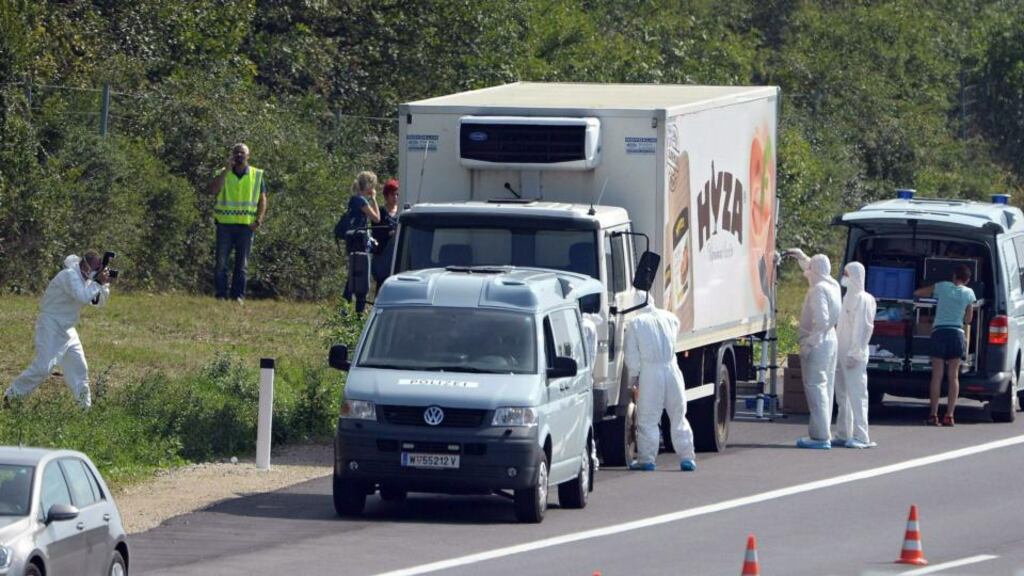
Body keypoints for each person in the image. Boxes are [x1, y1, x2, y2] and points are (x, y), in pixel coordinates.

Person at [4, 252, 112, 408]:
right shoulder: (69, 275)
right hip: (51, 324)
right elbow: (82, 296)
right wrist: (97, 282)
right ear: (85, 265)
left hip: (68, 329)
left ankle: (85, 409)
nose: (97, 271)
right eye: (96, 267)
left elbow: (98, 303)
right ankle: (11, 397)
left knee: (79, 369)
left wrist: (104, 284)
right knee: (43, 367)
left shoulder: (88, 280)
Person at [623, 302, 696, 472]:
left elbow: (631, 355)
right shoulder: (670, 318)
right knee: (678, 415)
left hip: (651, 372)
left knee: (648, 418)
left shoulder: (636, 323)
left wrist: (633, 379)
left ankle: (647, 460)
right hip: (672, 369)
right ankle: (687, 458)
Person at [788, 248, 842, 449]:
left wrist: (809, 344)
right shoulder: (832, 284)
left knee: (815, 387)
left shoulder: (818, 289)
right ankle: (823, 431)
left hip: (818, 342)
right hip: (830, 340)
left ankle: (820, 436)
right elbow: (816, 268)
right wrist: (802, 258)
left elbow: (822, 320)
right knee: (825, 386)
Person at [913, 264, 977, 426]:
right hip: (957, 334)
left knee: (937, 376)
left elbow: (918, 293)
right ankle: (949, 415)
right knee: (953, 376)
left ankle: (933, 415)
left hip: (939, 333)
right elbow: (968, 320)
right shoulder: (969, 293)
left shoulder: (942, 286)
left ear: (954, 276)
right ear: (967, 280)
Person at [207, 143, 268, 303]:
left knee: (242, 265)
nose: (239, 156)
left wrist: (259, 220)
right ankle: (221, 295)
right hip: (225, 225)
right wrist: (226, 170)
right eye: (236, 153)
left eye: (242, 153)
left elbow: (262, 200)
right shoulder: (223, 173)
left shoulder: (257, 175)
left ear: (248, 156)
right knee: (221, 263)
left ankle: (238, 296)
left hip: (246, 227)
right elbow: (212, 190)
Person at [834, 261, 877, 448]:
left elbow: (864, 328)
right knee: (842, 396)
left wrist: (855, 352)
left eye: (847, 274)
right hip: (841, 352)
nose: (844, 278)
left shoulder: (864, 299)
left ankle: (862, 435)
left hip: (854, 356)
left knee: (858, 395)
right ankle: (843, 433)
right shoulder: (847, 298)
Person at [342, 171, 381, 313]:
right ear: (369, 185)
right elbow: (376, 219)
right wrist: (374, 199)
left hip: (352, 241)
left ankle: (345, 309)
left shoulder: (353, 199)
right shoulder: (361, 201)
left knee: (353, 276)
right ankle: (358, 311)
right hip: (360, 243)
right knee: (362, 277)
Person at [371, 178, 400, 291]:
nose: (395, 198)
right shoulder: (381, 212)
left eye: (397, 194)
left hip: (396, 255)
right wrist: (391, 233)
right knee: (381, 285)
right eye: (393, 195)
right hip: (383, 255)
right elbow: (377, 232)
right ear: (386, 196)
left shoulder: (401, 211)